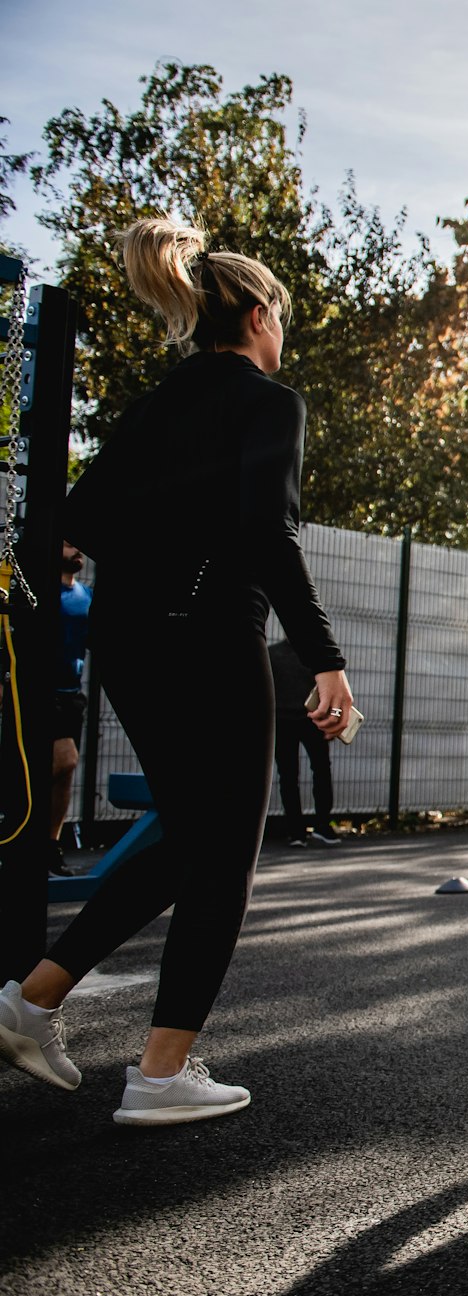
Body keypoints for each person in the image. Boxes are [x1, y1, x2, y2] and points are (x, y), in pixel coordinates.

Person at [0, 219, 354, 1125]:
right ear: (260, 314)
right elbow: (269, 533)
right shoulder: (270, 403)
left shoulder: (162, 402)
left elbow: (79, 516)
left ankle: (31, 999)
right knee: (224, 852)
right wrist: (325, 659)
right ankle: (161, 1072)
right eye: (284, 317)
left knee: (187, 835)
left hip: (131, 642)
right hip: (208, 639)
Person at [269, 636, 340, 847]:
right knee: (321, 771)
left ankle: (296, 832)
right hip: (312, 721)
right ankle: (322, 826)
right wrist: (334, 717)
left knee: (289, 777)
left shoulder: (272, 654)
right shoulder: (316, 653)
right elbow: (331, 691)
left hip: (283, 721)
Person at [49, 541, 91, 877]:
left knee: (65, 773)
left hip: (71, 693)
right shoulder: (34, 593)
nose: (76, 550)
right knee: (65, 759)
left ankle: (50, 845)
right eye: (67, 544)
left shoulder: (86, 596)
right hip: (38, 692)